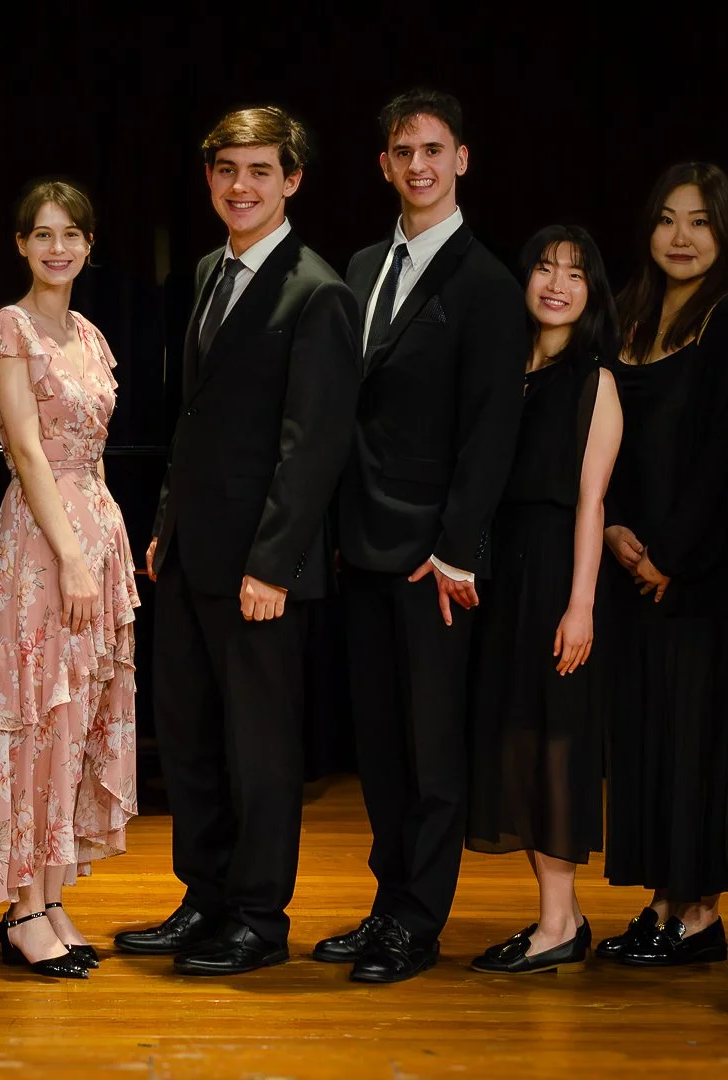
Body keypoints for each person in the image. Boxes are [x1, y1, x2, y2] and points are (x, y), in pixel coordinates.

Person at [114, 106, 360, 976]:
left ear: (292, 180)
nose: (241, 185)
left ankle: (258, 918)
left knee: (259, 752)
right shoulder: (207, 272)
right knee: (190, 740)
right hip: (189, 553)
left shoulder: (318, 292)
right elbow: (192, 420)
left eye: (260, 170)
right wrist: (165, 524)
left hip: (260, 567)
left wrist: (273, 563)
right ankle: (204, 899)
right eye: (227, 170)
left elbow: (313, 445)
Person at [317, 89, 526, 984]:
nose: (419, 166)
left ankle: (418, 921)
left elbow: (491, 434)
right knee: (380, 748)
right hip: (362, 546)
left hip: (434, 560)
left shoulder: (488, 284)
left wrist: (455, 549)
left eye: (434, 150)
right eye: (403, 151)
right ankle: (387, 902)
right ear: (384, 165)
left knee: (433, 753)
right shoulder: (363, 265)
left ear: (461, 160)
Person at [0, 180, 139, 980]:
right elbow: (27, 450)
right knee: (38, 715)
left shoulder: (91, 336)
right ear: (21, 245)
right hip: (41, 541)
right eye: (42, 234)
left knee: (79, 716)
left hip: (95, 532)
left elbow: (93, 452)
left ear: (89, 244)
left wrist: (103, 549)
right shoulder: (11, 327)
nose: (57, 247)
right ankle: (22, 908)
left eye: (71, 234)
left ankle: (53, 893)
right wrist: (69, 554)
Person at [596, 163, 728, 967]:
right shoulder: (626, 313)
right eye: (667, 219)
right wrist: (612, 526)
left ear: (724, 233)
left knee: (696, 739)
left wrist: (670, 555)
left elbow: (727, 449)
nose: (682, 237)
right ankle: (662, 902)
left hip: (699, 576)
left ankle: (698, 914)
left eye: (700, 221)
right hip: (629, 564)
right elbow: (602, 438)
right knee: (648, 738)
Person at [466, 226, 621, 975]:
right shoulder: (506, 369)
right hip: (503, 574)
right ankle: (563, 916)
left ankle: (557, 923)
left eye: (575, 274)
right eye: (545, 269)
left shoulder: (596, 381)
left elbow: (593, 502)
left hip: (557, 574)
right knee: (516, 743)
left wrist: (581, 603)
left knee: (555, 740)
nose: (557, 285)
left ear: (593, 293)